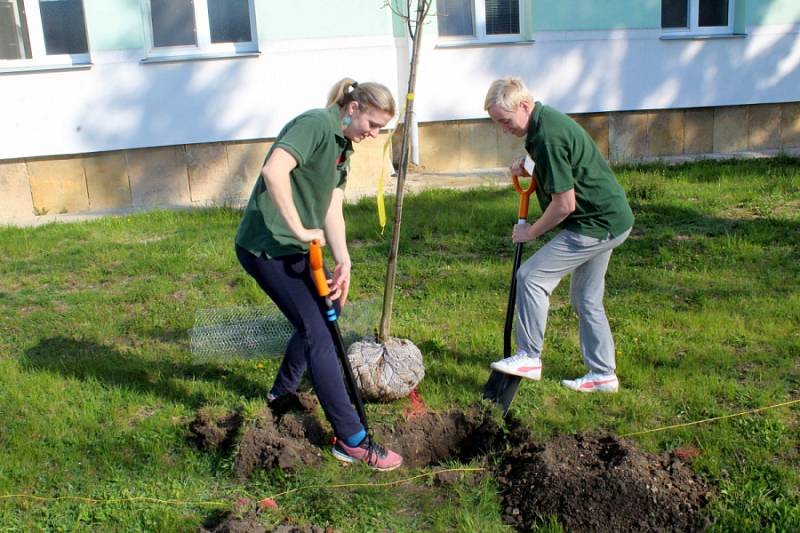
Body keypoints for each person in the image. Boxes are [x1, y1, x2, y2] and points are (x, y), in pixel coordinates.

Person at [235, 78, 402, 470]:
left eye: (382, 129)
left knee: (329, 313)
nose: (374, 134)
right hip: (268, 247)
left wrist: (344, 259)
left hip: (299, 248)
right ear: (354, 107)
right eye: (373, 124)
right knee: (320, 334)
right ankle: (353, 439)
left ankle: (281, 395)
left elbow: (332, 206)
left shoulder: (343, 145)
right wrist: (296, 228)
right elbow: (273, 172)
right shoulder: (314, 125)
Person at [484, 77, 634, 393]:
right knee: (586, 298)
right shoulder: (544, 122)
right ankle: (603, 375)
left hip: (593, 224)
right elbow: (556, 160)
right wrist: (528, 166)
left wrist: (531, 232)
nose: (503, 128)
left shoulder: (546, 137)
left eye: (505, 120)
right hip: (612, 218)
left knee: (532, 278)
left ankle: (528, 356)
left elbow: (564, 204)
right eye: (497, 122)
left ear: (524, 106)